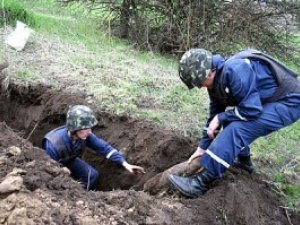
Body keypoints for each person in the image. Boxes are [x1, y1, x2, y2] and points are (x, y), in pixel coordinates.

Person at [168, 48, 300, 198]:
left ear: (210, 72)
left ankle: (200, 183)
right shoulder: (216, 79)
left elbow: (252, 111)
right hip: (269, 99)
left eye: (199, 82)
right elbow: (215, 114)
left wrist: (223, 118)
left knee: (237, 128)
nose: (199, 87)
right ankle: (244, 163)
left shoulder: (235, 70)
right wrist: (202, 147)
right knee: (232, 119)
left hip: (289, 100)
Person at [43, 105, 145, 190]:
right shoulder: (52, 145)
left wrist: (126, 164)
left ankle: (83, 197)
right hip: (56, 167)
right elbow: (49, 172)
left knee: (92, 176)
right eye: (86, 128)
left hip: (70, 160)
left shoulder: (85, 136)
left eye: (90, 128)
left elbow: (105, 148)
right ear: (75, 128)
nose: (90, 132)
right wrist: (63, 173)